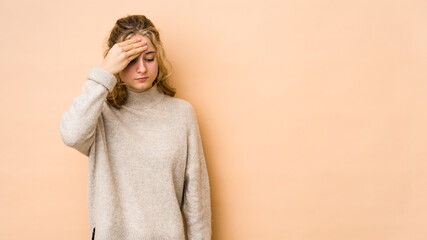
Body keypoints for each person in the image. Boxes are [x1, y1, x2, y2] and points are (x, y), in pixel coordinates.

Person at [59, 15, 211, 240]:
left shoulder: (181, 114)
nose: (142, 68)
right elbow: (71, 135)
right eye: (130, 60)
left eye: (149, 58)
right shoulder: (99, 113)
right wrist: (104, 72)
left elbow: (196, 200)